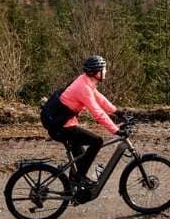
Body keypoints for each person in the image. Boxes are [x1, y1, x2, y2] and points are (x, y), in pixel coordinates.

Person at [41, 55, 121, 186]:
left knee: (81, 156)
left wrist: (116, 111)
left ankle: (75, 185)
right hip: (61, 128)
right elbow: (97, 113)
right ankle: (79, 178)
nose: (106, 72)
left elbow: (98, 98)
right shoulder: (83, 88)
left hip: (64, 124)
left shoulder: (85, 81)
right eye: (104, 69)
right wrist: (116, 130)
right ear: (96, 72)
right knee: (97, 141)